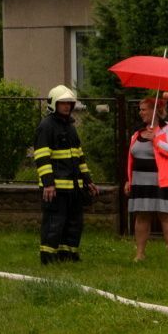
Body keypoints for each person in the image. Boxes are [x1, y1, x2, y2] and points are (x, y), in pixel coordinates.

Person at [33, 85, 100, 264]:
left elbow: (79, 157)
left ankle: (69, 255)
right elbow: (41, 157)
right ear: (54, 103)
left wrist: (88, 181)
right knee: (54, 223)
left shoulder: (70, 127)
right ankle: (48, 257)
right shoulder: (46, 126)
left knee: (73, 223)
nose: (67, 106)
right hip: (56, 187)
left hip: (74, 187)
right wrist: (48, 183)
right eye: (63, 103)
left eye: (69, 103)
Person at [123, 95, 168, 261]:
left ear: (154, 111)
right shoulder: (137, 132)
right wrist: (129, 179)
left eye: (143, 109)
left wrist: (156, 140)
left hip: (162, 181)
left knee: (167, 215)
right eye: (140, 110)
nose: (140, 113)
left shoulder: (167, 128)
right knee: (142, 216)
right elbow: (131, 158)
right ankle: (140, 254)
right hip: (140, 182)